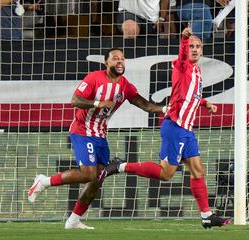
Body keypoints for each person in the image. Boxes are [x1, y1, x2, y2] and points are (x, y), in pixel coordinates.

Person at [99, 27, 231, 229]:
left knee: (198, 171)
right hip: (175, 127)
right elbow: (182, 58)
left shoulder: (197, 71)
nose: (194, 49)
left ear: (202, 50)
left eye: (198, 46)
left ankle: (206, 216)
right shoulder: (182, 66)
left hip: (186, 130)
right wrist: (184, 40)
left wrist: (205, 103)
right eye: (191, 47)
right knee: (166, 174)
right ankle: (120, 166)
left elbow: (189, 95)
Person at [27, 47, 167, 229]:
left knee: (96, 179)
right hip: (82, 131)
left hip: (100, 135)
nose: (120, 61)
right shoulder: (94, 77)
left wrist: (165, 109)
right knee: (88, 174)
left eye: (122, 59)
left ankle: (74, 220)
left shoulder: (125, 85)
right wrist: (97, 103)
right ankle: (43, 182)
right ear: (106, 63)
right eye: (115, 58)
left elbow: (145, 105)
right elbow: (75, 100)